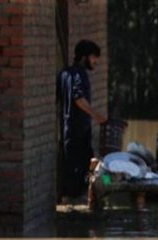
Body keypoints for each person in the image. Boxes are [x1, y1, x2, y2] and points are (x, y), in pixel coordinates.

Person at [57, 39, 107, 204]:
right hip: (77, 132)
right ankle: (76, 206)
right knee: (81, 171)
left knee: (86, 167)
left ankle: (87, 198)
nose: (95, 61)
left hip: (69, 131)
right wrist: (96, 115)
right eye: (93, 57)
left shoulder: (65, 73)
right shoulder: (79, 74)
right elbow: (78, 98)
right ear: (84, 57)